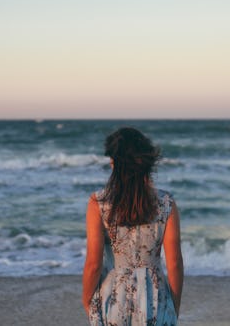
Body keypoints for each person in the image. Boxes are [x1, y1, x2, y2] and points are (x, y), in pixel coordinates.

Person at [82, 127, 184, 325]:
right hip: (156, 297)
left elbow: (93, 265)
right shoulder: (166, 203)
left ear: (114, 163)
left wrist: (86, 300)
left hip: (113, 295)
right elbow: (175, 264)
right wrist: (173, 305)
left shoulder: (98, 203)